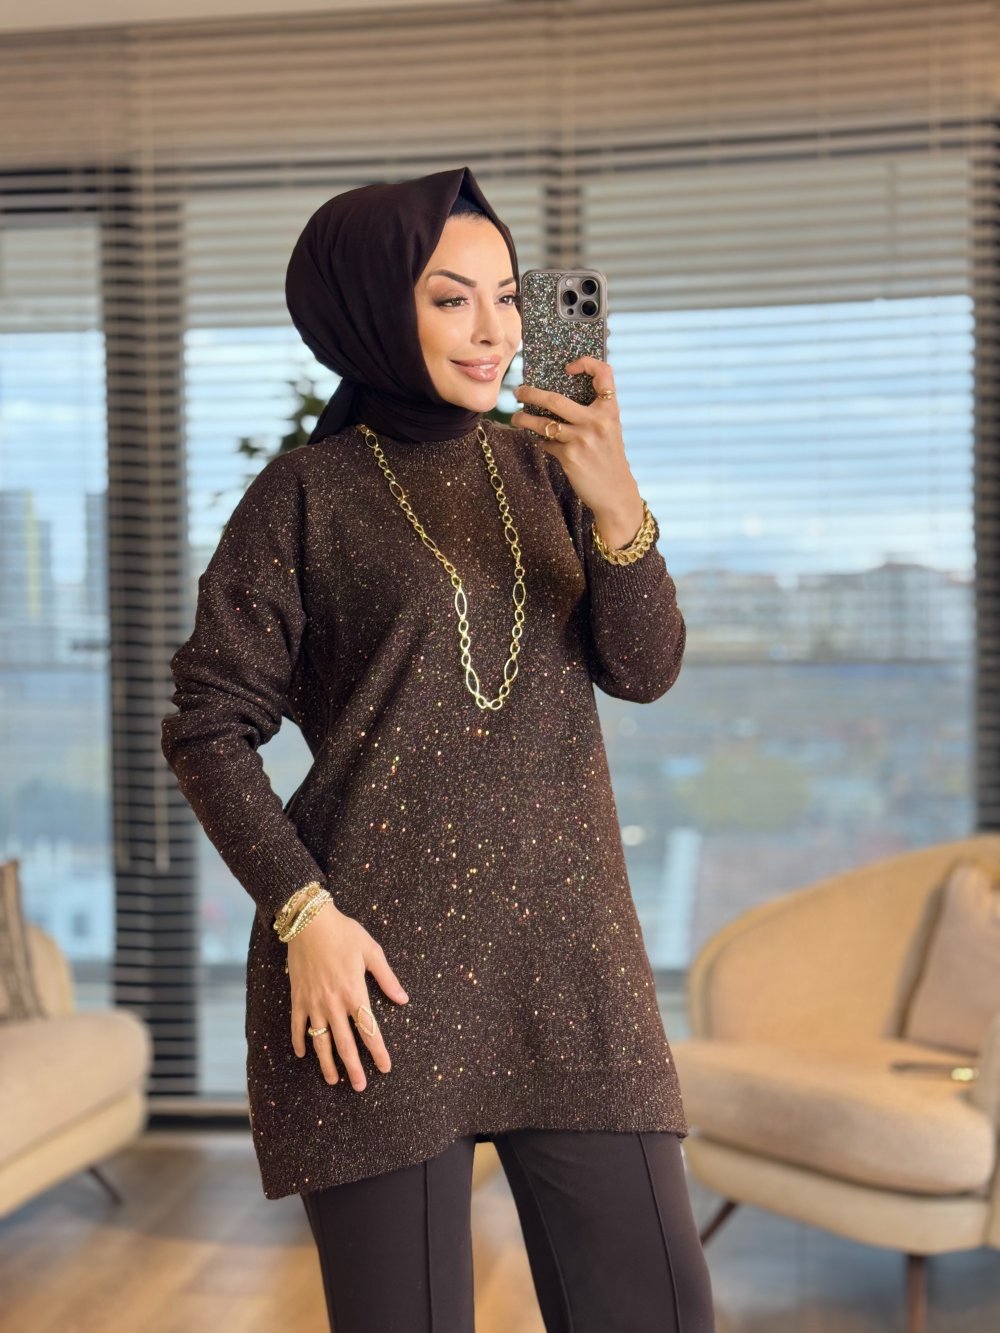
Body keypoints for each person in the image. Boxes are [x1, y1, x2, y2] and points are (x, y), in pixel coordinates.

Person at [161, 164, 715, 1332]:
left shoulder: (548, 467)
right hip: (374, 978)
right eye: (451, 299)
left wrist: (617, 503)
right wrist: (305, 914)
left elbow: (643, 667)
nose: (493, 331)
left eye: (507, 297)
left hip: (572, 964)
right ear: (372, 308)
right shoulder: (302, 495)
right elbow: (207, 722)